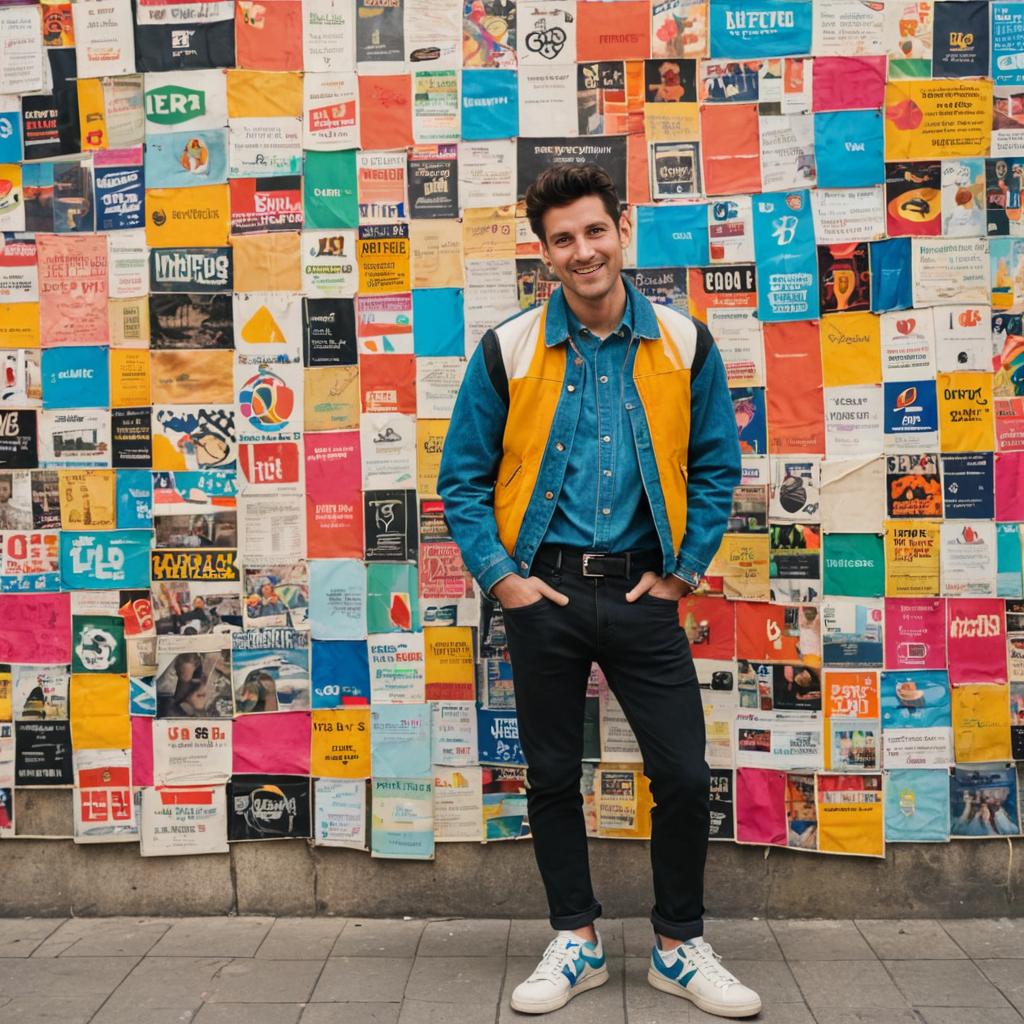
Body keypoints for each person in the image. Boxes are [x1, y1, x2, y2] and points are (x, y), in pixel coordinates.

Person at [437, 164, 758, 1018]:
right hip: (545, 595)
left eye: (594, 231)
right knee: (550, 774)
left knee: (684, 776)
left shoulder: (684, 344)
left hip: (644, 595)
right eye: (563, 240)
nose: (583, 251)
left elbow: (719, 465)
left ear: (622, 230)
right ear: (544, 254)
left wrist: (683, 574)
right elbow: (461, 482)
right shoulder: (507, 348)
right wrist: (505, 582)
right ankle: (574, 940)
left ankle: (678, 947)